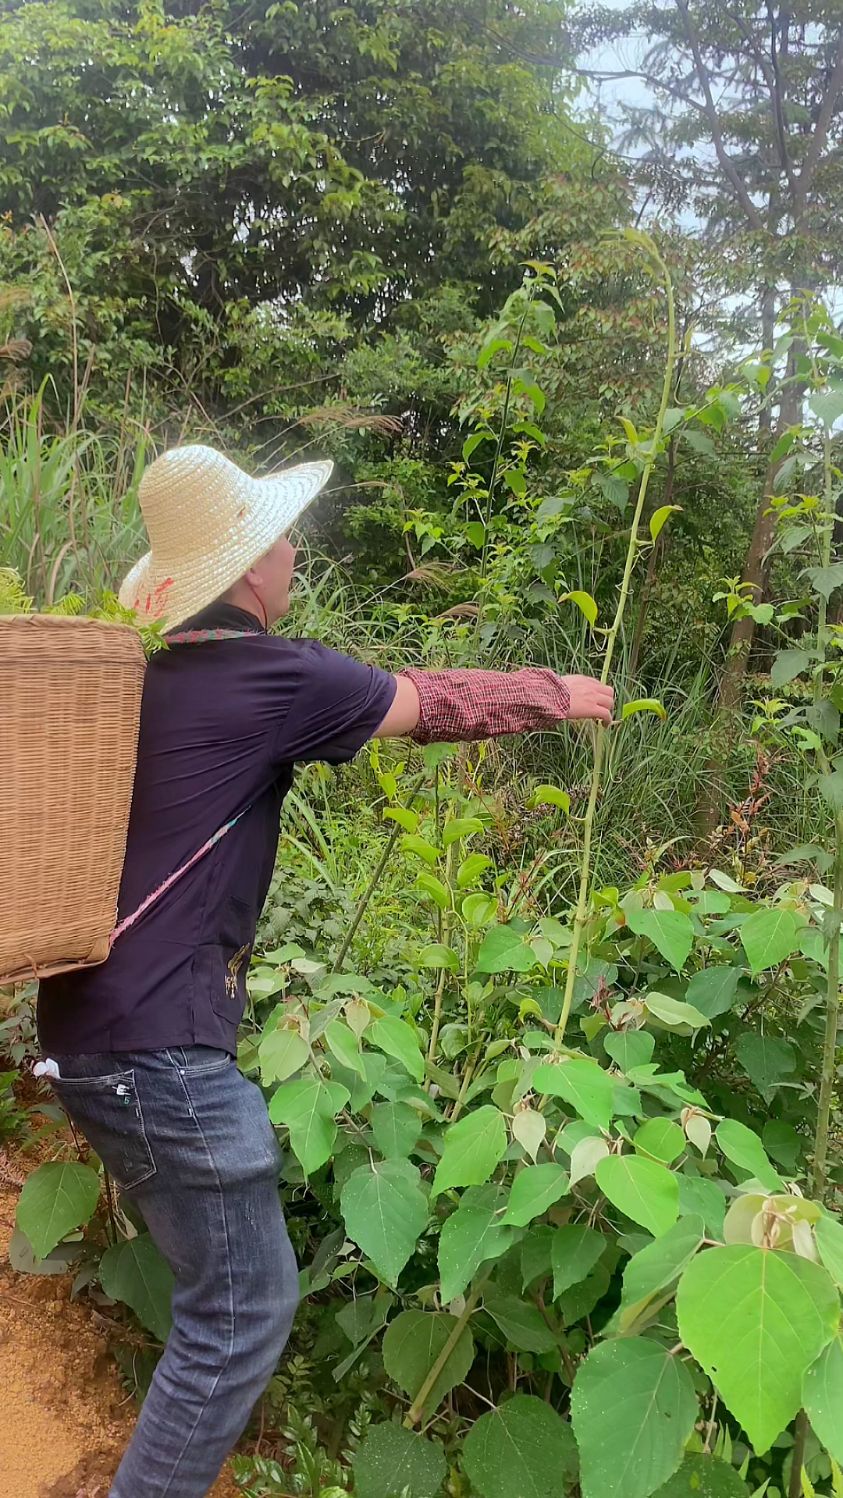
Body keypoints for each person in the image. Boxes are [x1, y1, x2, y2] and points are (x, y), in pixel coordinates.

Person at [37, 445, 613, 1498]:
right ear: (252, 565)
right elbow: (429, 702)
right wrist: (561, 692)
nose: (295, 548)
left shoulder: (142, 682)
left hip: (83, 1036)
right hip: (161, 1050)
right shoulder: (272, 676)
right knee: (239, 1318)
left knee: (221, 1297)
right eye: (283, 534)